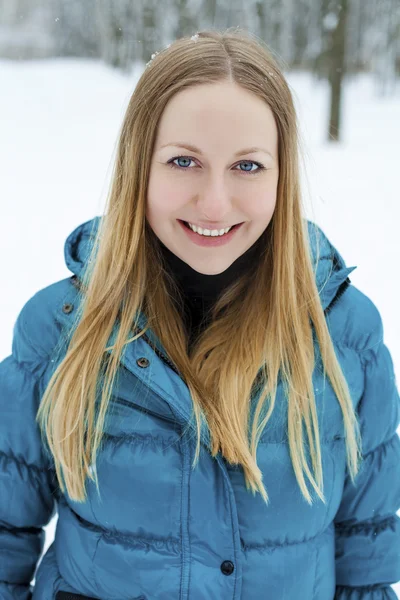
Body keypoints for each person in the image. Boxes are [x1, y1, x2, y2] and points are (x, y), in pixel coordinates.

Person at [0, 28, 399, 600]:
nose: (214, 203)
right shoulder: (58, 329)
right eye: (184, 161)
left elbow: (366, 560)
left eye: (248, 166)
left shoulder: (346, 338)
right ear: (140, 165)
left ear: (283, 176)